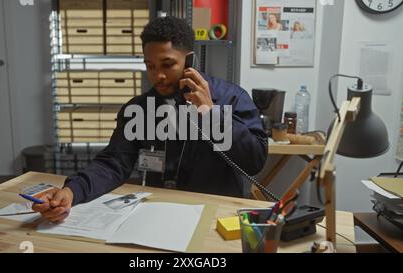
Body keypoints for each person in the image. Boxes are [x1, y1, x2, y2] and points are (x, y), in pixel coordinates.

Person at [33, 16, 268, 223]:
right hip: (157, 215)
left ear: (190, 61)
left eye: (168, 65)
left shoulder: (231, 97)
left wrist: (210, 113)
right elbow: (113, 162)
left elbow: (254, 161)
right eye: (150, 66)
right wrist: (73, 190)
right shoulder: (140, 109)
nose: (159, 76)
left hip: (215, 215)